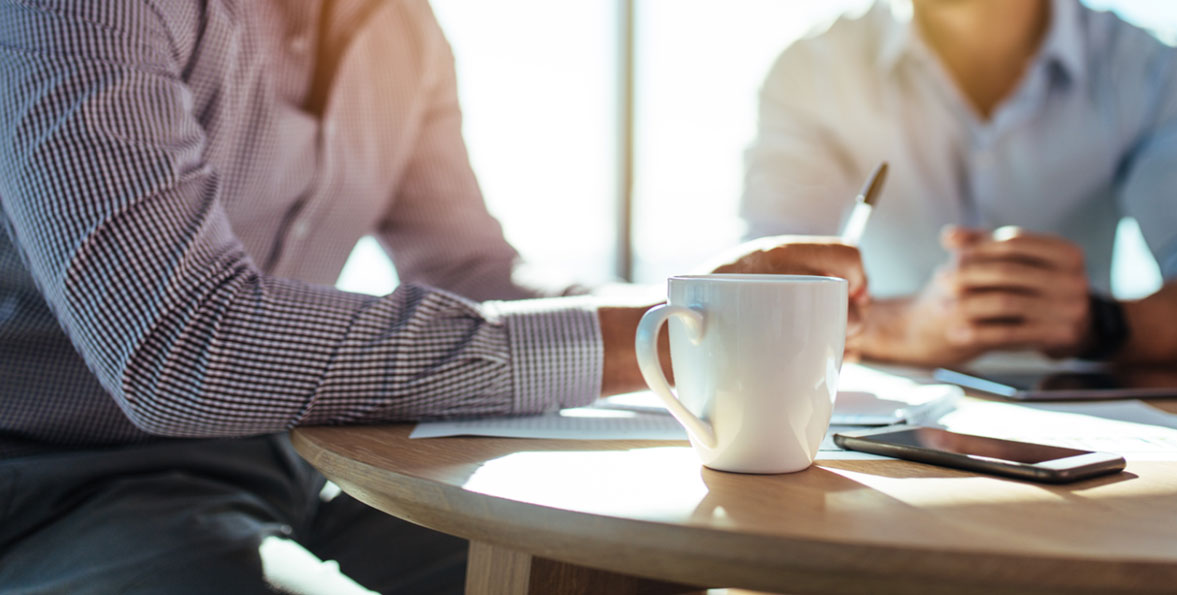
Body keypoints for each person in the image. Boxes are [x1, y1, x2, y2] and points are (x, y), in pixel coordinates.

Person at [0, 1, 865, 592]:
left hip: (299, 461)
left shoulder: (400, 30)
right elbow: (184, 345)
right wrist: (669, 336)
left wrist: (717, 303)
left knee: (635, 570)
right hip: (52, 484)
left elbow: (474, 270)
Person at [741, 0, 1177, 367]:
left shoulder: (1153, 70)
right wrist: (904, 327)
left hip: (1092, 444)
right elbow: (748, 300)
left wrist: (1099, 322)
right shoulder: (811, 71)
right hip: (876, 432)